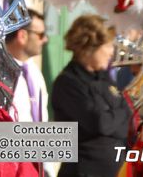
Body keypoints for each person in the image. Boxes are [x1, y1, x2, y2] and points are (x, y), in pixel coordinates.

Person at [51, 15, 132, 177]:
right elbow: (100, 123)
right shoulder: (68, 82)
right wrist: (117, 115)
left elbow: (127, 113)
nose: (111, 52)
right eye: (108, 46)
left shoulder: (103, 77)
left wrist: (114, 117)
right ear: (90, 47)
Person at [5, 9, 49, 122]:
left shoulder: (34, 71)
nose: (45, 39)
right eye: (41, 35)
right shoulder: (0, 75)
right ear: (22, 36)